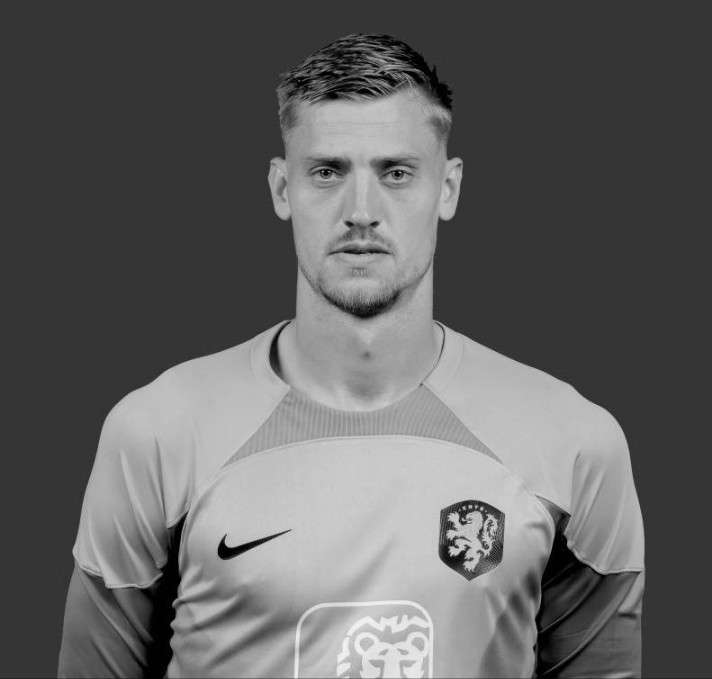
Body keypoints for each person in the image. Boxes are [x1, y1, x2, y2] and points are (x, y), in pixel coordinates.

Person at [58, 33, 644, 678]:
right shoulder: (158, 432)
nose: (361, 212)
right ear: (282, 188)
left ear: (448, 189)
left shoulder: (572, 441)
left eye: (396, 173)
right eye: (328, 172)